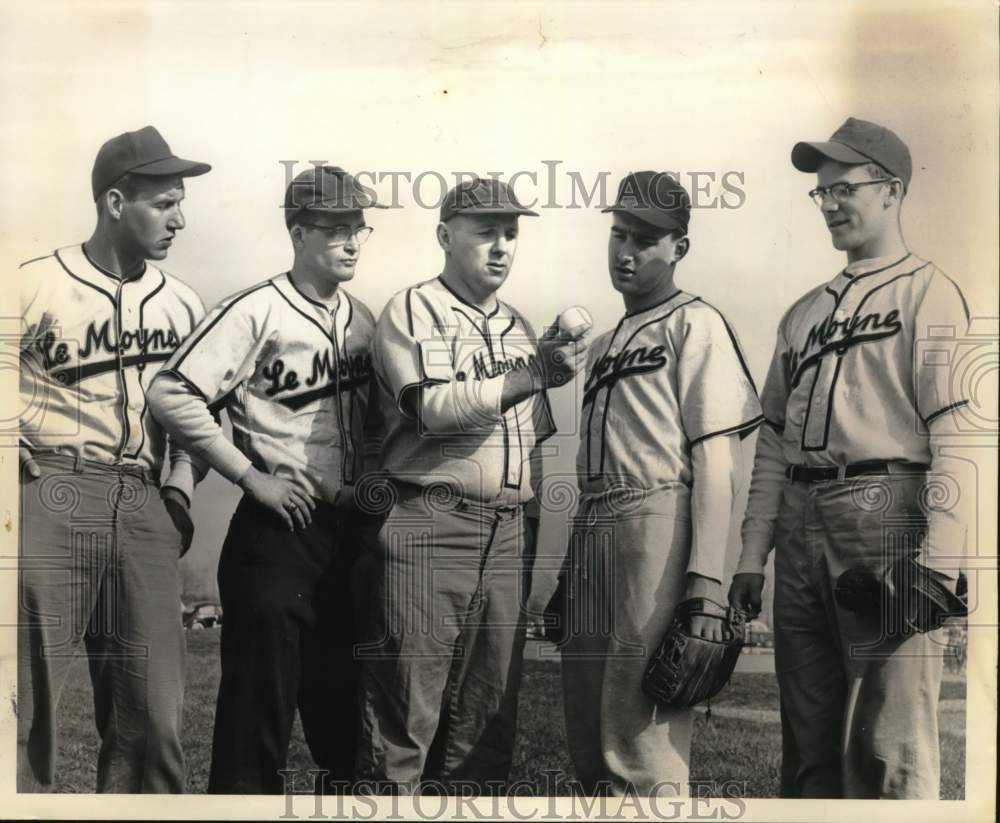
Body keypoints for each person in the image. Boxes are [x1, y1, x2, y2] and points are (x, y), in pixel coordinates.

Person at [729, 117, 971, 799]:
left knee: (886, 749)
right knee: (807, 749)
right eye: (822, 192)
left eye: (845, 189)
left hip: (885, 510)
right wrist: (751, 555)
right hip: (799, 517)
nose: (830, 203)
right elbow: (772, 445)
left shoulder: (929, 291)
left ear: (891, 191)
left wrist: (939, 563)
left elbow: (959, 436)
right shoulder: (803, 312)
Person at [147, 165, 384, 793]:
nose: (352, 242)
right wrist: (250, 476)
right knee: (256, 732)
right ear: (298, 232)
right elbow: (170, 392)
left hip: (346, 536)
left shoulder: (364, 319)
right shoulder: (255, 309)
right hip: (276, 532)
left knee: (346, 734)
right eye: (335, 228)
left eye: (358, 228)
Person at [354, 177, 588, 791]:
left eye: (510, 232)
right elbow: (430, 409)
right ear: (444, 235)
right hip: (430, 518)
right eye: (486, 231)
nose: (502, 245)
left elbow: (534, 444)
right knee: (403, 721)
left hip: (506, 533)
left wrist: (527, 532)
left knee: (487, 726)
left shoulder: (520, 325)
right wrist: (529, 374)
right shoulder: (413, 309)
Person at [17, 125, 211, 792]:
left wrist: (179, 493)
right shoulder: (32, 282)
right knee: (24, 707)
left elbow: (198, 421)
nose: (179, 220)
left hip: (144, 497)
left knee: (153, 721)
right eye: (165, 203)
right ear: (116, 202)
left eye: (182, 203)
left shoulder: (184, 303)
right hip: (51, 488)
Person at [558, 171, 762, 796]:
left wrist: (706, 583)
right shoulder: (600, 345)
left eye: (644, 239)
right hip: (595, 522)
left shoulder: (695, 323)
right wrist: (569, 568)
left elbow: (717, 461)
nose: (626, 251)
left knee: (641, 739)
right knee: (587, 737)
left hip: (657, 518)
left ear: (679, 247)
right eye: (619, 233)